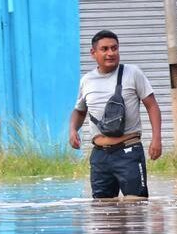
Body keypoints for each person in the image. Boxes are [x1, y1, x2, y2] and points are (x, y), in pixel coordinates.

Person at [68, 30, 162, 200]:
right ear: (93, 53)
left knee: (137, 205)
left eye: (114, 48)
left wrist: (156, 139)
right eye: (104, 49)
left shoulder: (133, 73)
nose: (110, 53)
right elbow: (79, 111)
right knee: (102, 211)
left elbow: (152, 106)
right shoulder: (86, 80)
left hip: (129, 151)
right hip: (100, 156)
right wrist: (73, 130)